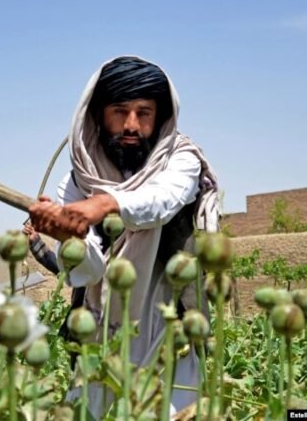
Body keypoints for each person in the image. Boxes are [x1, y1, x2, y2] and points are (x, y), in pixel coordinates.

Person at [29, 56, 220, 415]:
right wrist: (70, 240)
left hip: (169, 328)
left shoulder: (181, 160)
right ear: (98, 115)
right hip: (101, 334)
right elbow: (89, 270)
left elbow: (160, 202)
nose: (132, 125)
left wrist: (105, 204)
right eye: (119, 112)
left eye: (144, 113)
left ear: (160, 117)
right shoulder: (76, 182)